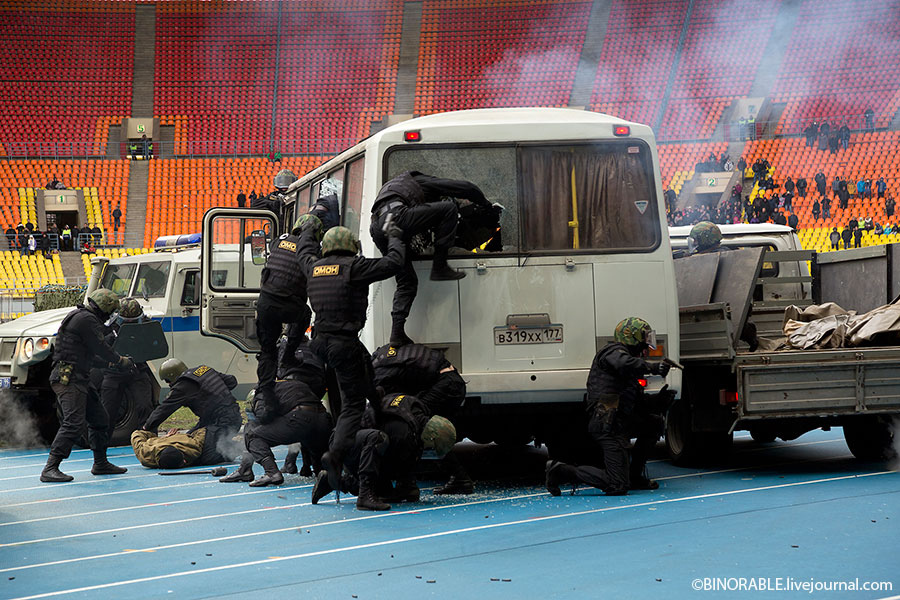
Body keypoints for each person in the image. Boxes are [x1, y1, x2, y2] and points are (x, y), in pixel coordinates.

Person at [297, 221, 406, 498]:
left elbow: (303, 251)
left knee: (364, 366)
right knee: (353, 404)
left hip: (322, 342)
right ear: (350, 247)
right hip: (342, 343)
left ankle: (378, 402)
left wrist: (309, 229)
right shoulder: (354, 267)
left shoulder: (313, 265)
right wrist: (394, 234)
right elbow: (394, 262)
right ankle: (334, 456)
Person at [545, 318, 671, 497]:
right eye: (643, 338)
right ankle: (560, 470)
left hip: (620, 420)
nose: (645, 344)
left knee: (653, 423)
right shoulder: (613, 352)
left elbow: (637, 401)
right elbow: (622, 362)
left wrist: (658, 400)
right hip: (608, 424)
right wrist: (652, 367)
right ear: (632, 336)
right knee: (617, 485)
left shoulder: (629, 366)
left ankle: (635, 476)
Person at [369, 171, 496, 346]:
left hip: (381, 227)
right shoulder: (420, 181)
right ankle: (440, 267)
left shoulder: (398, 188)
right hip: (396, 218)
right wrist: (486, 205)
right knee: (448, 209)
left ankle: (397, 333)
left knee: (407, 281)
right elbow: (467, 188)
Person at [40, 289, 132, 482]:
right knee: (74, 422)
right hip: (69, 378)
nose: (110, 315)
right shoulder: (86, 320)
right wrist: (120, 361)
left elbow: (89, 356)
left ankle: (100, 463)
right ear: (104, 308)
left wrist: (109, 363)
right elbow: (101, 348)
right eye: (110, 310)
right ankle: (50, 468)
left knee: (100, 419)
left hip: (78, 377)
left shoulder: (82, 317)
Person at [311, 393, 457, 511]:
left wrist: (407, 487)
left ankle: (339, 482)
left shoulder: (416, 412)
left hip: (355, 437)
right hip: (344, 441)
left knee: (389, 487)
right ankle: (358, 492)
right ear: (429, 438)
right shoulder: (404, 434)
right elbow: (393, 463)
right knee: (378, 442)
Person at [372, 342, 473, 494]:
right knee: (419, 425)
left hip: (446, 384)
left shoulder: (379, 378)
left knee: (418, 426)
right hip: (450, 380)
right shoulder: (386, 354)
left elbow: (396, 408)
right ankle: (410, 482)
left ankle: (410, 482)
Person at [253, 216, 315, 417]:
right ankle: (288, 356)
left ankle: (268, 397)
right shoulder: (311, 249)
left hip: (265, 304)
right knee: (305, 314)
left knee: (267, 351)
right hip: (288, 306)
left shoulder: (279, 240)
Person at [220, 379, 332, 487]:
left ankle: (271, 472)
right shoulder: (289, 385)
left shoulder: (262, 392)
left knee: (252, 434)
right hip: (323, 420)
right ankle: (323, 472)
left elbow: (264, 417)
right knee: (321, 468)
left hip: (299, 419)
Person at [95, 298, 156, 446]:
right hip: (114, 372)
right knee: (107, 411)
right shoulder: (109, 326)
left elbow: (154, 344)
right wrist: (113, 336)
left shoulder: (146, 324)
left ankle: (149, 440)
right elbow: (100, 348)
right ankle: (101, 446)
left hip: (137, 370)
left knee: (145, 406)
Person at [142, 359, 242, 436]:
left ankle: (240, 448)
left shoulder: (182, 387)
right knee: (188, 437)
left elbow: (164, 409)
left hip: (223, 423)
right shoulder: (203, 369)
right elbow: (232, 381)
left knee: (201, 453)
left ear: (173, 375)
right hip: (230, 416)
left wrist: (147, 427)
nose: (168, 384)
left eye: (167, 380)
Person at [131, 426, 242, 469]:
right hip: (175, 439)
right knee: (209, 458)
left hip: (185, 438)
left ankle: (239, 444)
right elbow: (136, 433)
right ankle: (239, 447)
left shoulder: (145, 452)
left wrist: (162, 437)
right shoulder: (194, 450)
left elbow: (136, 434)